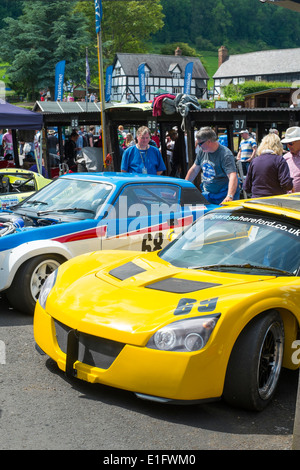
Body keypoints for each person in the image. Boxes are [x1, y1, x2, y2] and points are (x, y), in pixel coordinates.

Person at [185, 126, 239, 205]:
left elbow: (232, 175)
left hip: (223, 196)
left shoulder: (225, 154)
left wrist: (229, 196)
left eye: (200, 143)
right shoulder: (202, 151)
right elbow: (194, 170)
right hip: (208, 194)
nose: (199, 146)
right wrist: (183, 187)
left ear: (209, 141)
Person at [243, 133, 293, 198]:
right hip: (275, 201)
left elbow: (246, 187)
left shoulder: (254, 161)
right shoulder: (279, 160)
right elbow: (287, 185)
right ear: (278, 146)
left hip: (256, 201)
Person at [282, 126, 300, 192]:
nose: (288, 146)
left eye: (290, 143)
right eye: (287, 144)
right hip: (287, 198)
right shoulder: (285, 158)